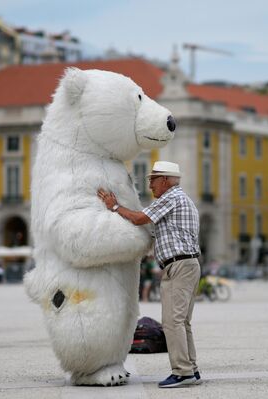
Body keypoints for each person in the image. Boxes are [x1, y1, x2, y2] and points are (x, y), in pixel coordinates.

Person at [98, 161, 202, 388]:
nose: (150, 185)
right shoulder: (181, 199)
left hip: (179, 265)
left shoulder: (171, 198)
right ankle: (191, 369)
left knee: (172, 322)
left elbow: (138, 219)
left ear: (165, 180)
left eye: (152, 179)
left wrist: (114, 206)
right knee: (182, 322)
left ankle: (183, 372)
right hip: (187, 264)